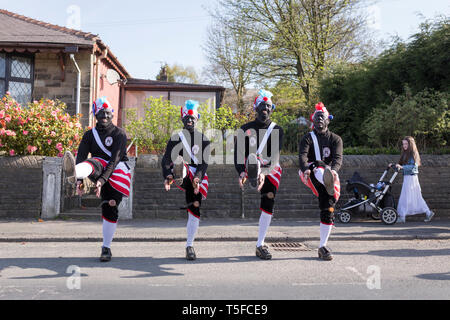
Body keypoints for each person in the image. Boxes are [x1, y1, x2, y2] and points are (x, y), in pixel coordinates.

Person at [62, 96, 131, 262]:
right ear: (95, 115)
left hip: (118, 172)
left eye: (107, 114)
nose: (105, 117)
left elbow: (114, 160)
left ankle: (106, 247)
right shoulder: (89, 135)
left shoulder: (119, 134)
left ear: (112, 114)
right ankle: (76, 173)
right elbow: (81, 156)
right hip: (97, 168)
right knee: (91, 162)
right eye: (101, 114)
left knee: (110, 206)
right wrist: (79, 181)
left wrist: (101, 181)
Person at [234, 89, 284, 260]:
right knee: (252, 159)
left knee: (268, 201)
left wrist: (264, 172)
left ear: (272, 109)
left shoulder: (277, 130)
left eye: (268, 106)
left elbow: (274, 156)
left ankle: (260, 244)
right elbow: (239, 154)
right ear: (255, 107)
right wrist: (241, 171)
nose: (265, 108)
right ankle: (252, 175)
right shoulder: (245, 129)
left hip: (270, 168)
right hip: (250, 164)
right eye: (262, 105)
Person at [161, 100, 210, 260]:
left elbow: (204, 163)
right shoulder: (176, 138)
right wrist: (167, 174)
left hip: (197, 176)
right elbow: (166, 159)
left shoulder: (203, 139)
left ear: (197, 120)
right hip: (183, 173)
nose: (189, 121)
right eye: (187, 118)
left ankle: (190, 245)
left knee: (194, 208)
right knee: (179, 162)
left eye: (192, 118)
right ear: (182, 119)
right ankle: (179, 172)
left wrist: (198, 178)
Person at [298, 102, 342, 261]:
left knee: (328, 207)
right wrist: (305, 169)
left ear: (328, 120)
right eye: (316, 118)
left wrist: (335, 172)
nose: (319, 120)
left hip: (329, 172)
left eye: (322, 117)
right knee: (319, 171)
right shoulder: (307, 138)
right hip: (310, 172)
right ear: (312, 121)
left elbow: (338, 159)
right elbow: (302, 156)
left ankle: (322, 246)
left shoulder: (336, 139)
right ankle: (326, 180)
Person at [393, 136, 434, 223]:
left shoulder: (412, 154)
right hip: (408, 177)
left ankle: (402, 216)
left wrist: (402, 167)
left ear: (410, 144)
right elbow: (400, 164)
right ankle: (428, 212)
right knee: (415, 197)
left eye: (406, 144)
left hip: (411, 178)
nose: (404, 145)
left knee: (406, 197)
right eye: (403, 144)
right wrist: (393, 165)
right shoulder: (405, 153)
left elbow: (412, 166)